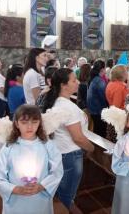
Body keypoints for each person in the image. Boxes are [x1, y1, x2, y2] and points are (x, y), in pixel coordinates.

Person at [0, 105, 63, 214]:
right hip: (16, 201)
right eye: (24, 122)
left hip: (39, 199)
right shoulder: (9, 147)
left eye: (34, 122)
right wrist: (15, 189)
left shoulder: (48, 145)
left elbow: (57, 171)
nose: (29, 126)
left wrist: (42, 186)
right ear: (16, 124)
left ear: (39, 123)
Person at [43, 68, 94, 209]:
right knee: (66, 195)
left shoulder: (56, 101)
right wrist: (91, 148)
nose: (77, 82)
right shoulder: (67, 107)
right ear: (63, 85)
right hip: (70, 155)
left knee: (61, 192)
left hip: (60, 152)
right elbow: (78, 138)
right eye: (73, 80)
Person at [106, 64, 129, 141]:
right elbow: (116, 107)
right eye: (126, 72)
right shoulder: (120, 87)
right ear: (122, 74)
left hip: (113, 116)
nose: (128, 73)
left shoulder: (111, 83)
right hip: (119, 120)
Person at [87, 60, 108, 137]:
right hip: (99, 111)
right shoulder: (99, 81)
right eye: (105, 68)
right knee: (101, 133)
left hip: (93, 110)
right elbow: (104, 97)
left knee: (97, 131)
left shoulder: (94, 78)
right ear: (102, 69)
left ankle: (97, 147)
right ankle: (100, 149)